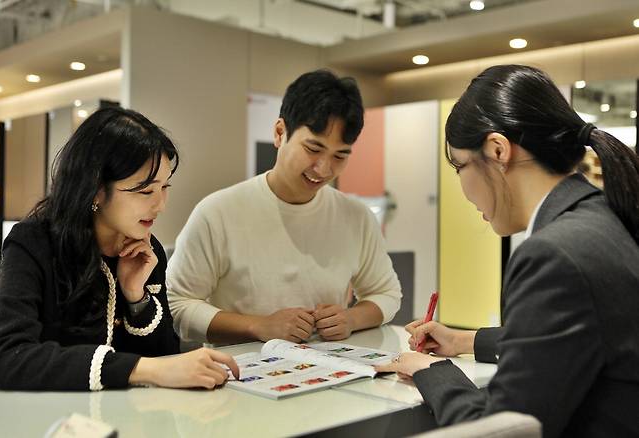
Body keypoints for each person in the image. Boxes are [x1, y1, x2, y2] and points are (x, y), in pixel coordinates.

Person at [376, 65, 639, 437]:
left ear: (497, 150)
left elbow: (500, 427)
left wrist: (427, 370)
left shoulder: (553, 254)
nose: (464, 191)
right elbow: (578, 332)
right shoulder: (601, 216)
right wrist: (466, 340)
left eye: (459, 167)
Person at [0, 107, 238, 391]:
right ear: (94, 188)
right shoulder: (34, 243)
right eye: (145, 191)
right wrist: (142, 368)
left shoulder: (144, 249)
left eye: (165, 187)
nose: (160, 205)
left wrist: (137, 298)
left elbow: (166, 356)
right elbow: (8, 359)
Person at [167, 70, 401, 345]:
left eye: (339, 155)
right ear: (280, 132)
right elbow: (177, 305)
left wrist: (351, 318)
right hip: (240, 375)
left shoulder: (355, 217)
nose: (324, 169)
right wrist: (258, 326)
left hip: (331, 370)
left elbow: (386, 294)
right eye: (313, 149)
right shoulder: (218, 213)